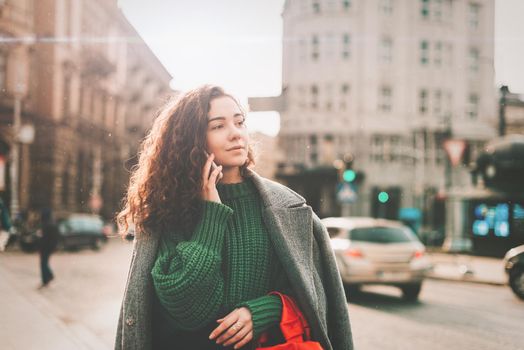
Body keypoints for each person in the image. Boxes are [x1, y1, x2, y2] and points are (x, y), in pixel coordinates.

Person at [115, 85, 353, 350]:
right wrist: (212, 214)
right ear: (191, 140)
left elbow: (314, 295)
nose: (236, 134)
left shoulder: (288, 208)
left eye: (239, 122)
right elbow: (189, 310)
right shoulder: (168, 209)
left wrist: (265, 310)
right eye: (218, 126)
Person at [38, 208, 59, 288]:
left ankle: (47, 278)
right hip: (48, 247)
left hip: (45, 247)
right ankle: (48, 277)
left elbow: (45, 237)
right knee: (44, 263)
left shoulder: (47, 224)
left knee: (43, 263)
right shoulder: (52, 223)